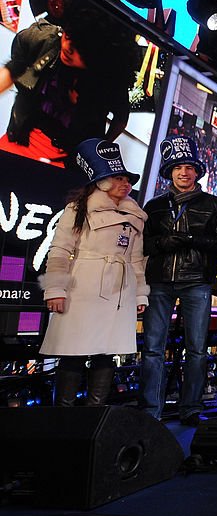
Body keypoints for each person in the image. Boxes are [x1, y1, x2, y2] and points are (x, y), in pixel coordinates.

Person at [39, 139, 147, 406]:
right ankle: (62, 415)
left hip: (119, 292)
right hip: (82, 289)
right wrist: (55, 289)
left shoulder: (135, 216)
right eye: (118, 178)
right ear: (101, 181)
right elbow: (60, 250)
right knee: (72, 351)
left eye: (127, 179)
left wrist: (140, 296)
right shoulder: (77, 210)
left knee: (107, 353)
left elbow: (136, 260)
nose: (125, 184)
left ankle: (94, 416)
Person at [139, 135, 217, 426]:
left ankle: (190, 408)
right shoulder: (153, 206)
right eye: (178, 167)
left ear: (198, 172)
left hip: (196, 281)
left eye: (189, 167)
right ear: (169, 171)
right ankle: (150, 409)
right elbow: (143, 245)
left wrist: (191, 239)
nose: (184, 172)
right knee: (152, 347)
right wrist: (164, 242)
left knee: (197, 348)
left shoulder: (214, 205)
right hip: (160, 281)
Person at [0, 2, 134, 167]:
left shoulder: (110, 80)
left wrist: (99, 147)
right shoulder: (43, 40)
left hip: (67, 160)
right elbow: (15, 68)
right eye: (68, 36)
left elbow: (121, 117)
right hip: (20, 140)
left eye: (80, 48)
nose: (68, 48)